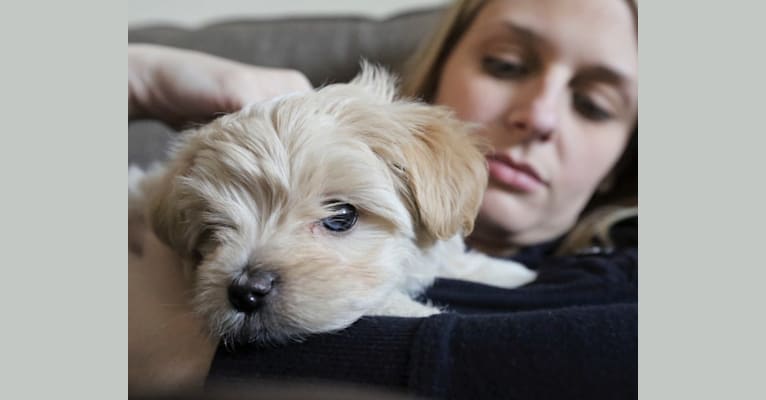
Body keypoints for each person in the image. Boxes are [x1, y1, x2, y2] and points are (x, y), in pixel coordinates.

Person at [129, 0, 638, 398]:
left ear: (623, 163)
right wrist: (140, 76)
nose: (540, 116)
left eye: (338, 217)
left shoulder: (623, 280)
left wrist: (182, 357)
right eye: (504, 65)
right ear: (438, 67)